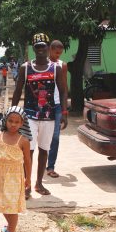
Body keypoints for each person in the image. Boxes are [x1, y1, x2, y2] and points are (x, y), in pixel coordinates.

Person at [11, 33, 68, 199]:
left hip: (50, 116)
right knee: (28, 151)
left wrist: (64, 113)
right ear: (34, 48)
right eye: (37, 47)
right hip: (29, 116)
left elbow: (63, 91)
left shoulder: (56, 68)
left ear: (48, 47)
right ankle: (26, 184)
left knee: (44, 149)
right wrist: (12, 112)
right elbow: (17, 91)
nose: (41, 49)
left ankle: (39, 183)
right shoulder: (25, 68)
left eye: (43, 46)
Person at [46, 40, 68, 178]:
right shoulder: (43, 64)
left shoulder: (62, 65)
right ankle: (42, 163)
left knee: (55, 137)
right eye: (56, 52)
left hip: (58, 104)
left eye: (60, 53)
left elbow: (64, 87)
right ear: (50, 50)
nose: (58, 55)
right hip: (44, 105)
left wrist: (65, 110)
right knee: (43, 136)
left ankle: (50, 166)